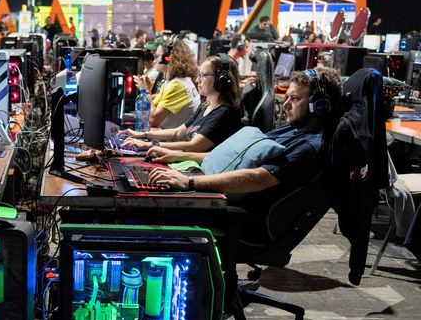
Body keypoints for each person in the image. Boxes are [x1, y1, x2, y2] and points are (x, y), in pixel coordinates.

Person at [144, 67, 342, 210]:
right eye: (287, 97)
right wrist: (173, 155)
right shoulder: (290, 130)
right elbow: (230, 156)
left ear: (319, 106)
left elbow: (258, 178)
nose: (286, 104)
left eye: (296, 99)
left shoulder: (308, 147)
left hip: (231, 213)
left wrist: (190, 183)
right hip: (211, 188)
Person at [122, 54, 242, 153]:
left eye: (204, 75)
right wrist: (142, 135)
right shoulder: (205, 106)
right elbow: (178, 133)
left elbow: (193, 146)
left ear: (222, 80)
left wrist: (148, 145)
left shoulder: (225, 112)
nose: (197, 80)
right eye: (199, 75)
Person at [122, 39, 201, 131]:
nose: (155, 60)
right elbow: (153, 107)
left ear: (168, 58)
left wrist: (146, 92)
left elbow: (152, 120)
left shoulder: (177, 86)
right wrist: (148, 91)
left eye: (157, 56)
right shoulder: (171, 82)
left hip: (171, 142)